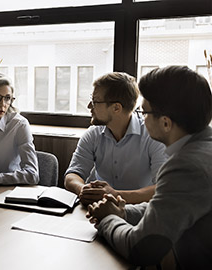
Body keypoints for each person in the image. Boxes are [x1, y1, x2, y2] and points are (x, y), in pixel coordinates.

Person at [86, 66, 212, 268]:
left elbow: (140, 249)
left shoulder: (187, 166)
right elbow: (167, 206)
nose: (141, 119)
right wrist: (124, 213)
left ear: (165, 123)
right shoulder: (201, 149)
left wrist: (107, 218)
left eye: (143, 112)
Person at [64, 72, 167, 205]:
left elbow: (162, 188)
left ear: (116, 108)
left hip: (138, 213)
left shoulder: (152, 136)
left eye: (95, 101)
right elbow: (72, 174)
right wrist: (83, 189)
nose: (89, 106)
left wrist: (115, 195)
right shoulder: (93, 134)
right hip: (97, 209)